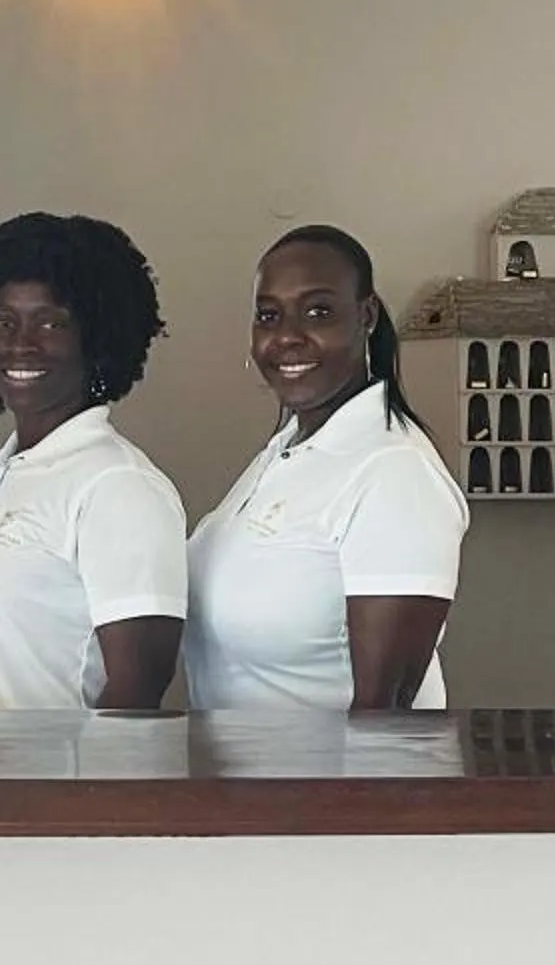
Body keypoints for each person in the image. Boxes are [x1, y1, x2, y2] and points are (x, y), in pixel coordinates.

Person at [186, 223, 467, 712]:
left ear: (366, 316)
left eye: (317, 311)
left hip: (330, 767)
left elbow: (385, 714)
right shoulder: (286, 451)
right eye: (268, 315)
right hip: (241, 762)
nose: (286, 336)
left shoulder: (394, 472)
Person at [0, 211, 185, 712]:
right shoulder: (5, 469)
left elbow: (139, 690)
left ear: (97, 336)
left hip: (55, 764)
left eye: (51, 323)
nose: (21, 344)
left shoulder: (120, 486)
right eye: (4, 322)